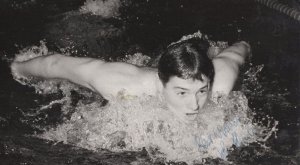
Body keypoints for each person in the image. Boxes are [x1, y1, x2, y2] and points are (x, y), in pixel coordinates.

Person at [11, 38, 250, 122]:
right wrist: (17, 68)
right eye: (181, 93)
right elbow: (56, 64)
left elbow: (239, 50)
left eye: (201, 91)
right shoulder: (123, 84)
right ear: (162, 83)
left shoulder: (221, 84)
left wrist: (246, 44)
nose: (195, 105)